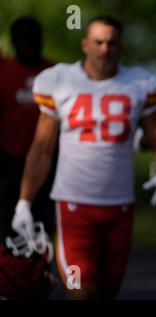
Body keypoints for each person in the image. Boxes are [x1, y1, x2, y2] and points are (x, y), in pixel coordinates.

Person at [10, 16, 156, 299]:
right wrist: (24, 201)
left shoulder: (139, 83)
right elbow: (41, 148)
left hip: (120, 207)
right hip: (74, 206)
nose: (104, 49)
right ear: (85, 45)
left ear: (120, 47)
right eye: (98, 42)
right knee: (81, 291)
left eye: (111, 42)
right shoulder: (60, 81)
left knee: (108, 293)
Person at [0, 17, 55, 239]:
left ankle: (41, 270)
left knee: (43, 225)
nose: (28, 46)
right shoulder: (4, 72)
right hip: (9, 162)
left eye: (32, 40)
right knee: (11, 225)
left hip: (48, 161)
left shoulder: (55, 73)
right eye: (22, 41)